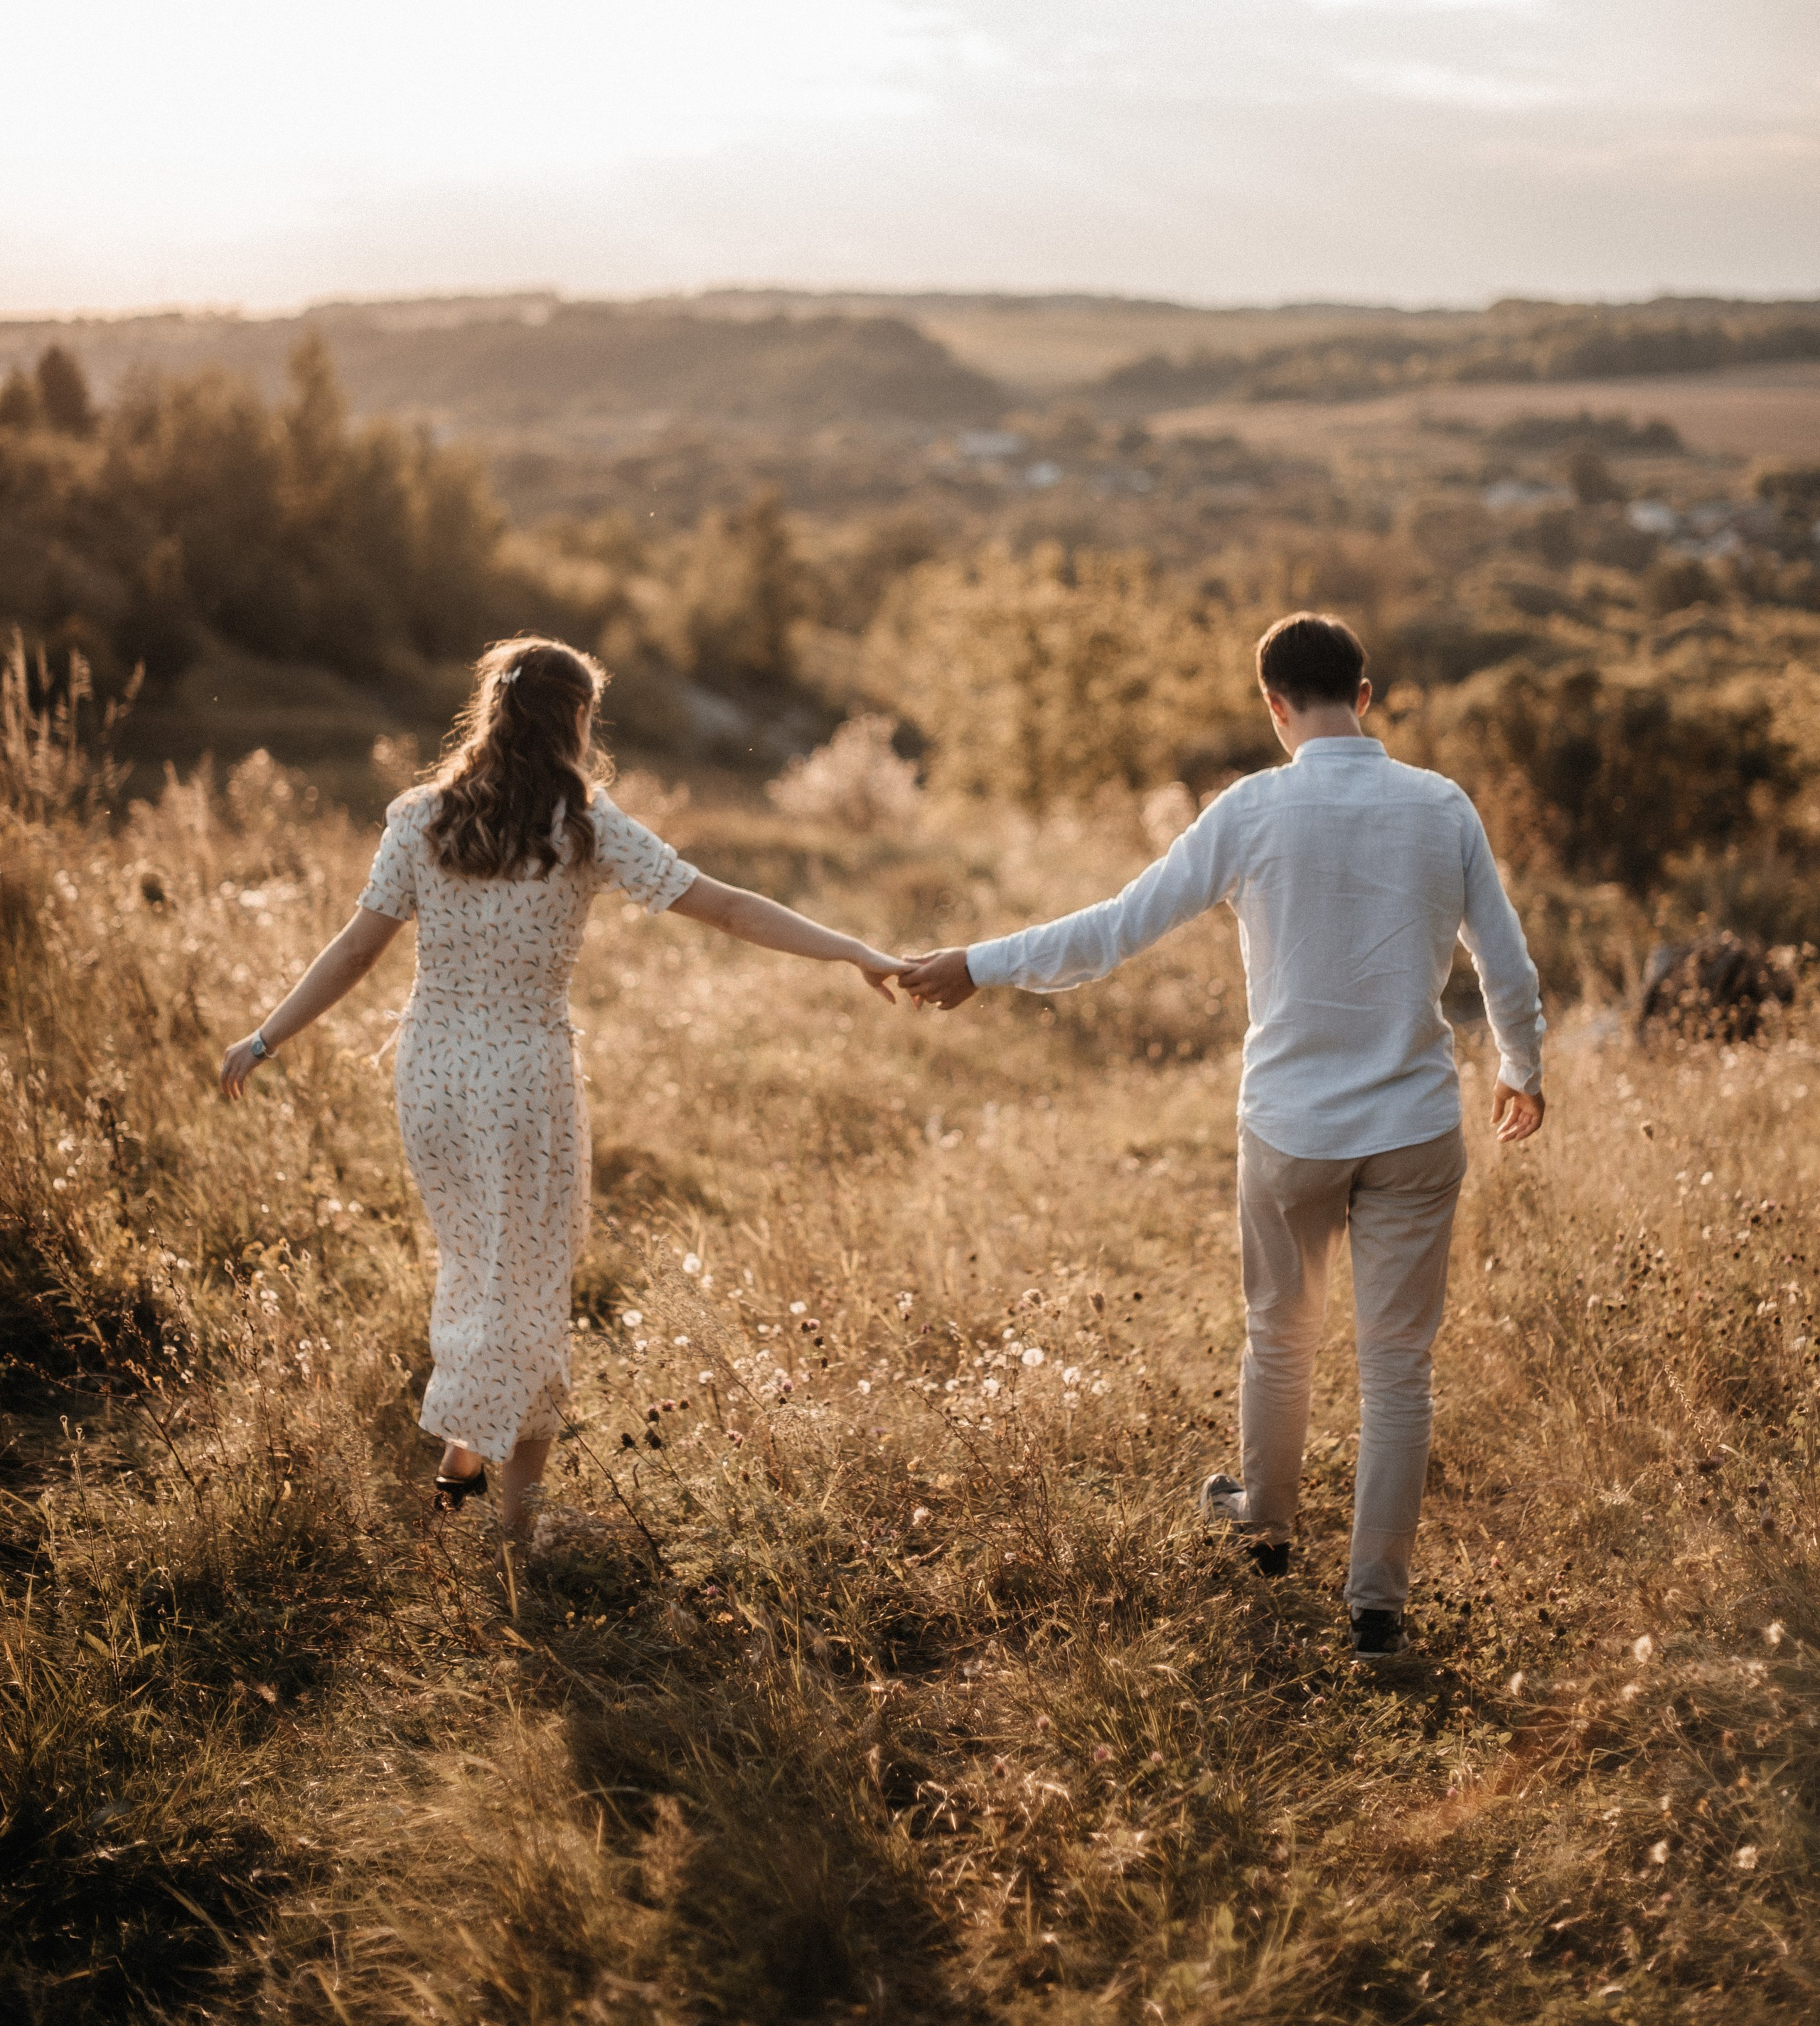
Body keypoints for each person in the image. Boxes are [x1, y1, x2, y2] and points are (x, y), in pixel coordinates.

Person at [896, 610, 1545, 1668]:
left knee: (1279, 1333)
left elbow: (1111, 929)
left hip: (1290, 1127)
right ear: (1367, 696)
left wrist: (981, 960)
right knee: (1398, 1373)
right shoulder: (1440, 805)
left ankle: (1267, 1523)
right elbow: (1504, 964)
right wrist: (1523, 1067)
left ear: (1274, 707)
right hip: (1417, 1125)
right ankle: (1376, 1608)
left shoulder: (1250, 810)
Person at [221, 637, 901, 1532]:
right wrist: (850, 946)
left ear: (493, 711)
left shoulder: (422, 817)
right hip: (522, 1085)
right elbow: (728, 904)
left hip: (432, 1081)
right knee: (524, 1297)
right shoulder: (584, 824)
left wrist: (266, 1037)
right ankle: (488, 1520)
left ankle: (485, 1512)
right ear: (575, 718)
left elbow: (355, 951)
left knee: (484, 1280)